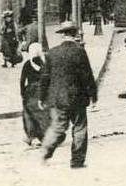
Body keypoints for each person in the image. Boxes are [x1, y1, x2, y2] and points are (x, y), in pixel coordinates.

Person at [40, 20, 98, 168]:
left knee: (58, 127)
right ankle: (77, 161)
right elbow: (87, 75)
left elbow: (45, 77)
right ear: (75, 34)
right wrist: (93, 95)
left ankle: (46, 152)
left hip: (58, 98)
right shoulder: (79, 51)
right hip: (77, 97)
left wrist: (42, 97)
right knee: (79, 127)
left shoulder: (52, 53)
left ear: (62, 35)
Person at [20, 42, 49, 146]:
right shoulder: (45, 62)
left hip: (31, 91)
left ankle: (31, 135)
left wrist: (23, 93)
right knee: (43, 114)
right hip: (43, 90)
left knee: (29, 114)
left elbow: (22, 80)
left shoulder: (28, 64)